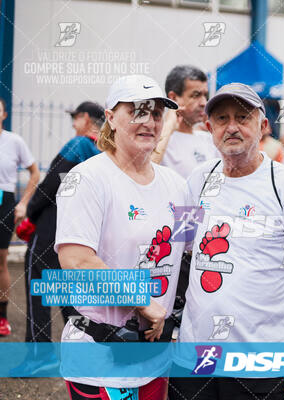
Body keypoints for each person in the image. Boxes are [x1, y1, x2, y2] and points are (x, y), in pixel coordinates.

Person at [169, 83, 284, 400]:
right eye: (223, 119)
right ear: (210, 127)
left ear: (263, 126)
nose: (232, 127)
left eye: (243, 117)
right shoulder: (197, 180)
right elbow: (178, 251)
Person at [55, 75, 188, 399]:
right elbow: (76, 262)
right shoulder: (87, 178)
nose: (149, 122)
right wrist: (145, 303)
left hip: (153, 358)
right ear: (111, 118)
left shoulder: (178, 184)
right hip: (102, 357)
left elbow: (189, 255)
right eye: (138, 112)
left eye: (156, 114)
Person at [9, 101, 104, 375]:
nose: (73, 122)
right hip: (78, 229)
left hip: (51, 225)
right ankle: (84, 350)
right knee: (64, 289)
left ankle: (40, 354)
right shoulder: (102, 150)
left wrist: (29, 214)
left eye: (75, 117)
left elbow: (50, 185)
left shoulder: (78, 145)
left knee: (37, 284)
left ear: (85, 118)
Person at [0, 97, 40, 336]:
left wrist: (23, 203)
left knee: (1, 259)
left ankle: (2, 317)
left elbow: (34, 172)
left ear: (4, 114)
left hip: (3, 200)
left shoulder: (14, 141)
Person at [152, 65, 219, 179]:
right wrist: (168, 125)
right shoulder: (156, 139)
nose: (204, 102)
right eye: (196, 95)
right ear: (173, 98)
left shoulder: (209, 139)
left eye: (205, 95)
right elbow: (147, 170)